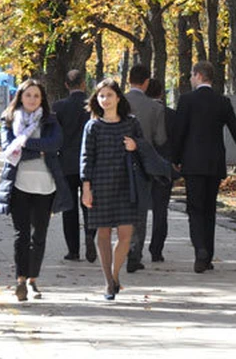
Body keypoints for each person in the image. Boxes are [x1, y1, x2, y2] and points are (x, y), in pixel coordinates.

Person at [170, 61, 236, 273]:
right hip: (215, 162)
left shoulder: (187, 100)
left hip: (192, 162)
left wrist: (175, 158)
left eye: (191, 75)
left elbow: (179, 131)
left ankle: (200, 251)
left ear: (198, 75)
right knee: (209, 209)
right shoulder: (222, 102)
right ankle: (208, 254)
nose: (190, 79)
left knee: (195, 209)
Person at [0, 79, 73, 301]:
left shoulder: (50, 120)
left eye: (36, 96)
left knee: (39, 235)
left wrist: (24, 145)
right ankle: (20, 279)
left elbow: (55, 144)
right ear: (20, 97)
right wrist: (36, 150)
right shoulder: (9, 120)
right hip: (19, 184)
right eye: (28, 95)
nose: (32, 99)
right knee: (21, 235)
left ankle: (33, 280)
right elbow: (7, 149)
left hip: (46, 185)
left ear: (42, 99)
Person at [81, 78, 147, 300]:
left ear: (118, 97)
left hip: (126, 184)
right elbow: (86, 158)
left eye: (109, 95)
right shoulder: (93, 126)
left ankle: (115, 273)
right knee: (103, 233)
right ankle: (109, 282)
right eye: (101, 96)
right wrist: (86, 188)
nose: (105, 100)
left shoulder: (131, 123)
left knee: (126, 234)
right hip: (100, 184)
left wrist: (135, 145)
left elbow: (145, 149)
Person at [125, 65, 168, 273]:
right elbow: (160, 139)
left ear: (128, 79)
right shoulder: (155, 108)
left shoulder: (117, 102)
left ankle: (122, 245)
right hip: (142, 163)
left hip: (117, 162)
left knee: (122, 207)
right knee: (140, 210)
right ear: (146, 83)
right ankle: (135, 252)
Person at [52, 69, 94, 262]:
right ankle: (90, 236)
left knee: (69, 208)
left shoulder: (59, 107)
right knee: (90, 204)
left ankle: (73, 250)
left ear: (66, 85)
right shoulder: (93, 105)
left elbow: (55, 137)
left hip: (66, 163)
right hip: (90, 163)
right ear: (84, 84)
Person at [145, 78, 175, 263]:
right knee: (161, 209)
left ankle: (135, 248)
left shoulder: (141, 113)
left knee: (138, 208)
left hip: (144, 165)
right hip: (165, 166)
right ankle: (157, 249)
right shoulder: (172, 114)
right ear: (161, 94)